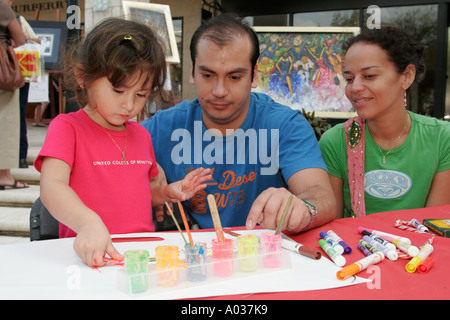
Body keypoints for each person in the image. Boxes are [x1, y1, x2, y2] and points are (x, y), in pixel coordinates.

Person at [34, 18, 211, 267]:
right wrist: (87, 222)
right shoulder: (68, 128)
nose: (129, 105)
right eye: (118, 91)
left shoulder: (141, 135)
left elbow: (141, 193)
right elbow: (51, 187)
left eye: (140, 95)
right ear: (84, 77)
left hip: (143, 255)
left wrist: (167, 193)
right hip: (91, 258)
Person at [141, 13, 336, 234]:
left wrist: (303, 207)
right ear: (193, 72)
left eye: (234, 77)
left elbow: (322, 196)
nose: (219, 91)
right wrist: (139, 168)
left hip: (264, 258)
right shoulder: (159, 128)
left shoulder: (284, 124)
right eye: (208, 75)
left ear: (253, 76)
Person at [319, 26, 450, 218]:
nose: (355, 87)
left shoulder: (441, 139)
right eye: (349, 78)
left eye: (369, 76)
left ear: (407, 76)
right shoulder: (335, 141)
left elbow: (435, 225)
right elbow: (331, 232)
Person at [0, 0, 27, 189]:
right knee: (6, 121)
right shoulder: (2, 6)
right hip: (2, 73)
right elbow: (20, 39)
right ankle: (4, 175)